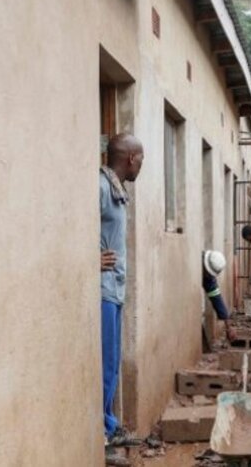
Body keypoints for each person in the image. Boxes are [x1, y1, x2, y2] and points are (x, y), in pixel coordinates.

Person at [100, 134, 144, 464]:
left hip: (114, 291)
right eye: (140, 159)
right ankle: (104, 431)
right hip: (102, 292)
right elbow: (71, 226)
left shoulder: (117, 190)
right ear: (131, 159)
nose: (141, 165)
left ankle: (110, 426)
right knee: (106, 366)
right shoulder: (101, 187)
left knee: (113, 363)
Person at [202, 250, 235, 341]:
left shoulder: (208, 278)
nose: (208, 275)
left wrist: (228, 327)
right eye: (207, 273)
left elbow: (216, 298)